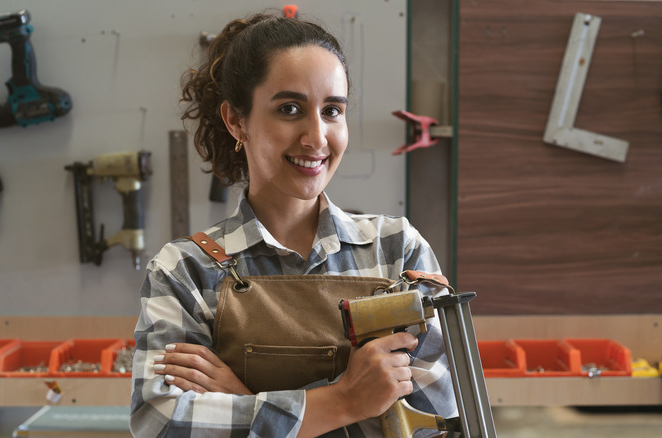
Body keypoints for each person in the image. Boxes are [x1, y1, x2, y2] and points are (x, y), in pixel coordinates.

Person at [130, 10, 457, 437]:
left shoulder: (397, 250)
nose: (317, 137)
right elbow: (160, 423)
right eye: (290, 109)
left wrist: (244, 400)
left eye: (332, 111)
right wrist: (346, 400)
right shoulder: (185, 270)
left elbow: (441, 422)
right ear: (236, 120)